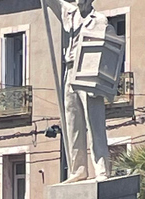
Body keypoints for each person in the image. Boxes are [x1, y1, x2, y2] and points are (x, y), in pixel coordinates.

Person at [44, 0, 118, 183]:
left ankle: (101, 169)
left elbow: (109, 47)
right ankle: (78, 170)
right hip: (69, 71)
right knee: (72, 123)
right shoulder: (69, 13)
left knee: (94, 122)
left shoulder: (100, 20)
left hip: (88, 70)